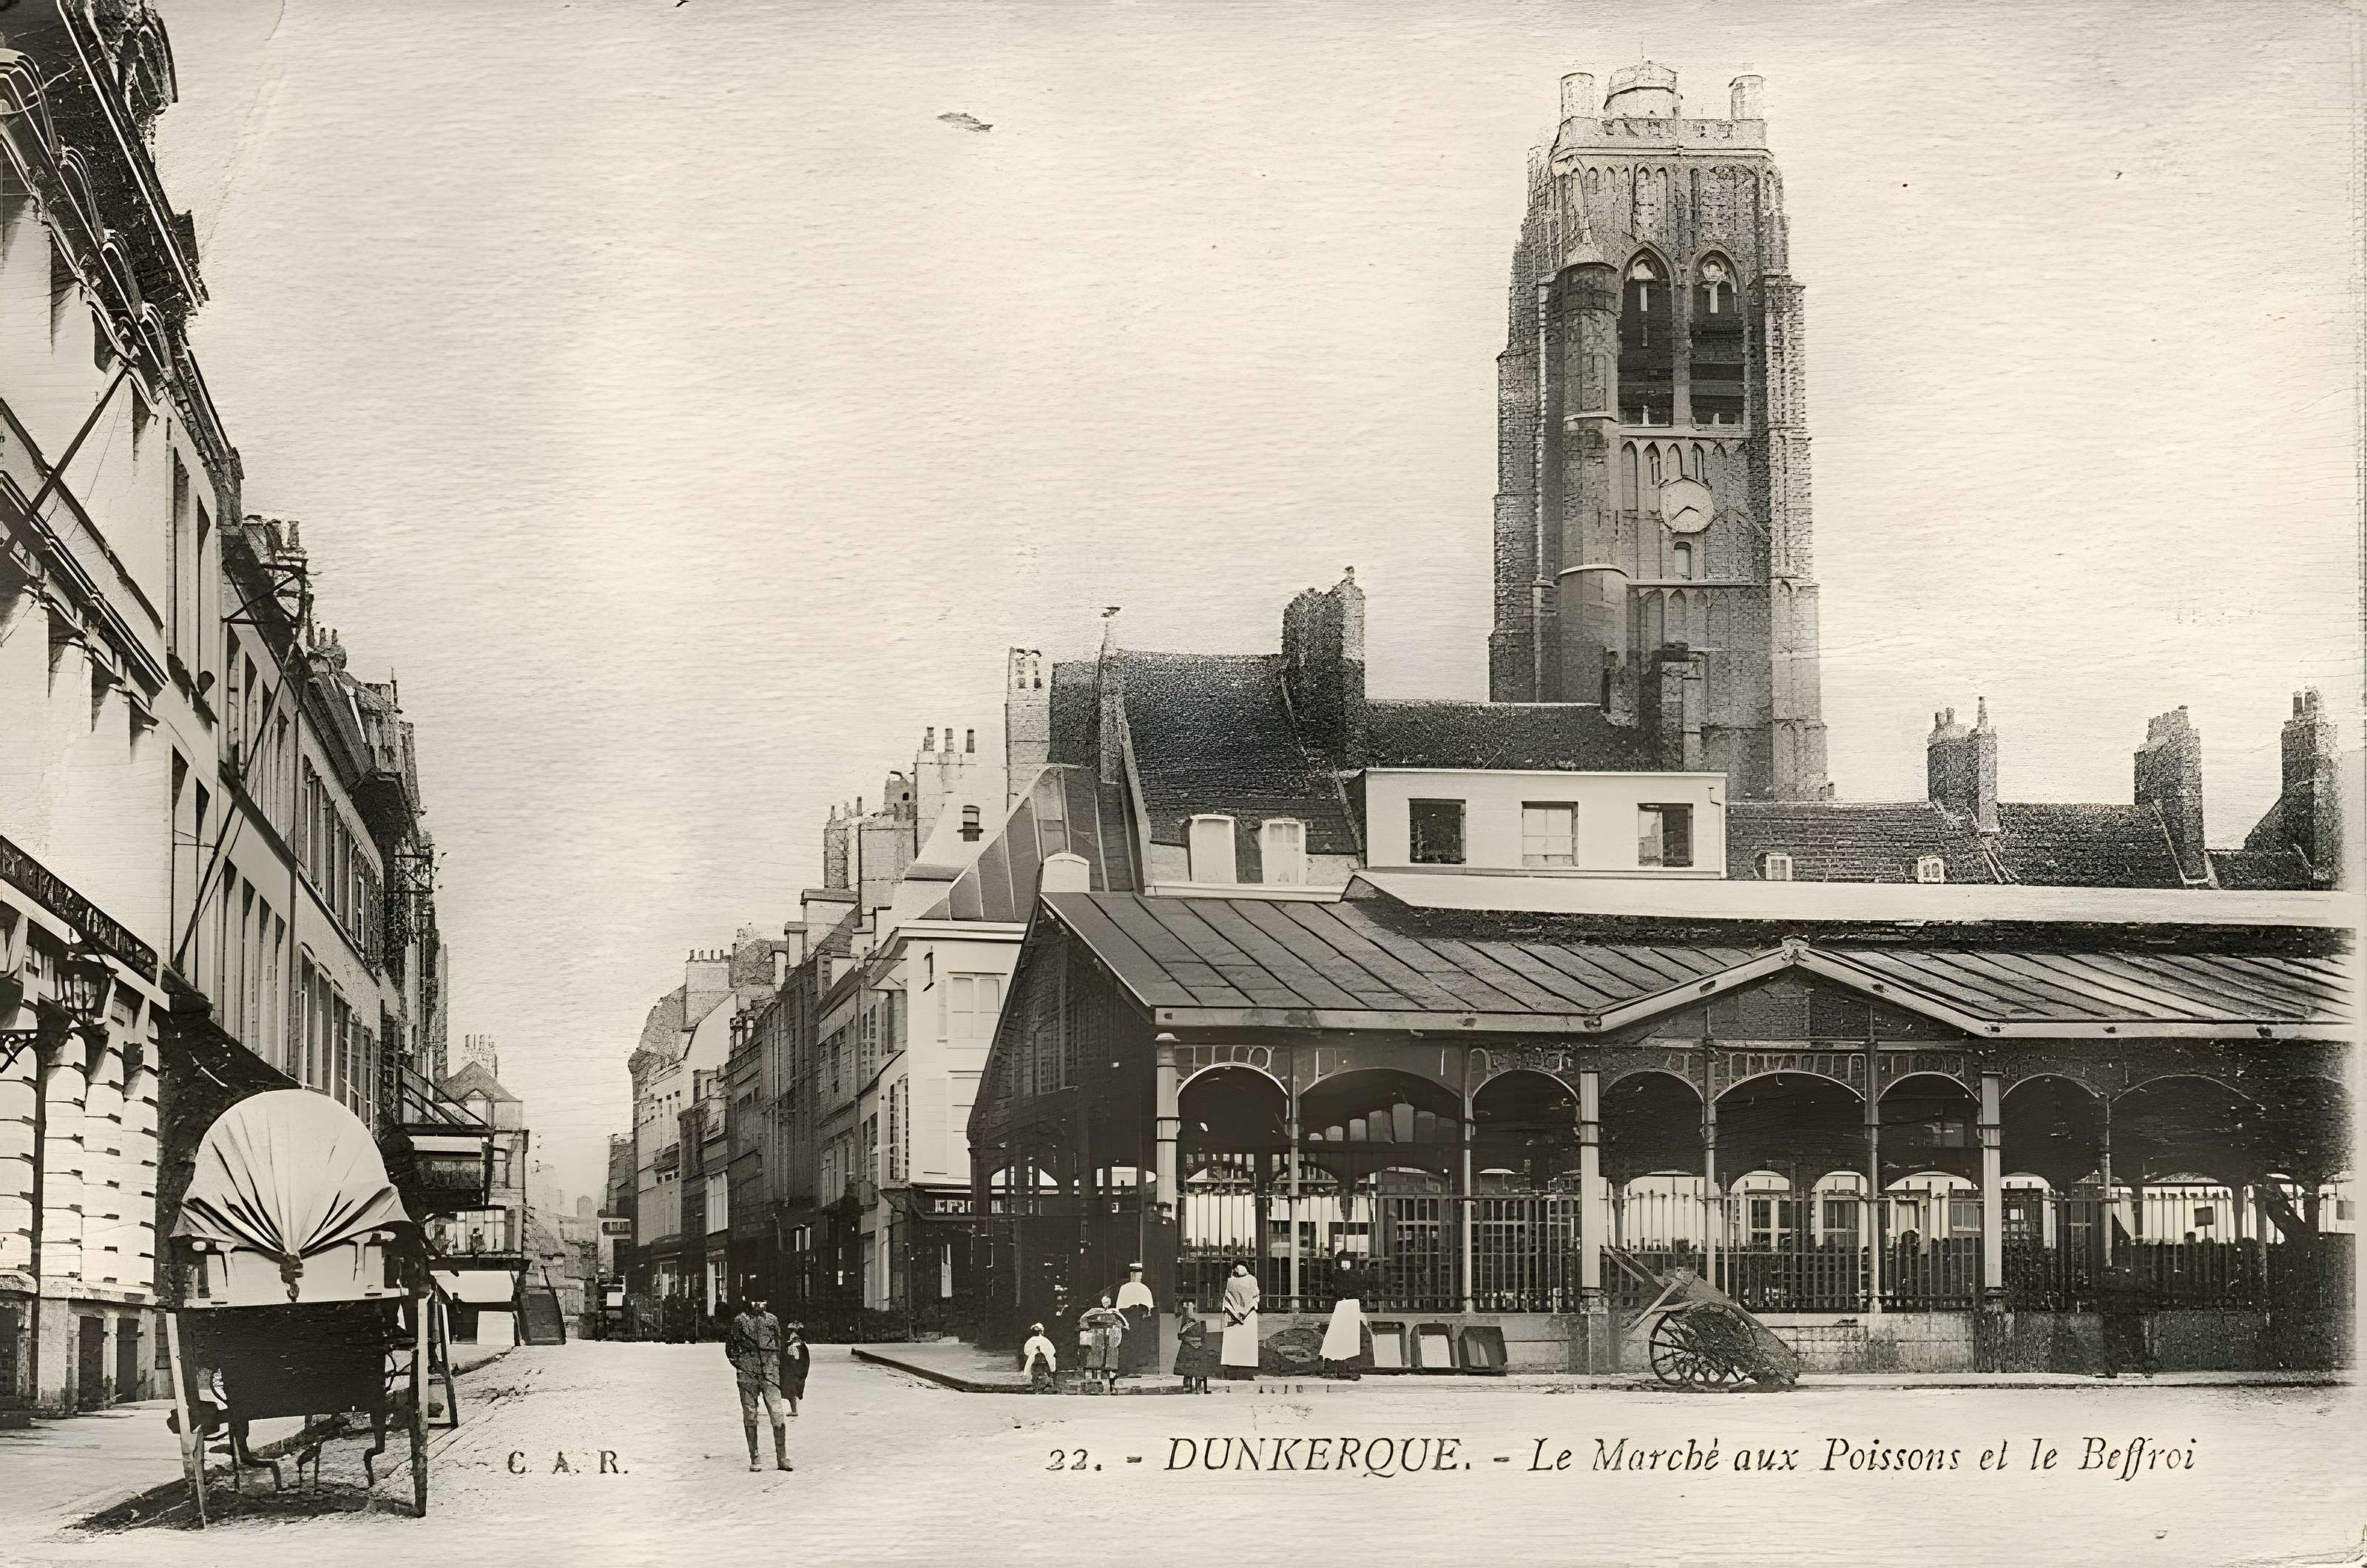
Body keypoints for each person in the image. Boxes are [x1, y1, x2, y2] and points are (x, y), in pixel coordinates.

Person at [725, 1296, 792, 1473]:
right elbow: (730, 1348)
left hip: (770, 1374)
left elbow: (780, 1346)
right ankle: (754, 1456)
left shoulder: (772, 1320)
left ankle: (782, 1457)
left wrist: (774, 1365)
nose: (759, 1305)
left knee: (778, 1415)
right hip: (748, 1374)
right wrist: (742, 1366)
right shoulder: (740, 1321)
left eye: (762, 1301)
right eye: (755, 1301)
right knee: (750, 1416)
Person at [2096, 1260, 2153, 1379]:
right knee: (2134, 1340)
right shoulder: (2132, 1279)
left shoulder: (2111, 1280)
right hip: (2126, 1312)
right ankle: (2144, 1368)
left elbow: (2102, 1293)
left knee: (2115, 1342)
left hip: (2118, 1312)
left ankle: (2113, 1370)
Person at [1320, 1255, 1367, 1379]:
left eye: (1348, 1263)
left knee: (1351, 1339)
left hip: (1351, 1307)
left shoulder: (1355, 1276)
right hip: (1342, 1307)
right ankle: (1336, 1368)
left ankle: (1349, 1369)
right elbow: (1334, 1290)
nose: (1346, 1265)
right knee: (1338, 1337)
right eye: (1343, 1263)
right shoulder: (1337, 1276)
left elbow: (1360, 1290)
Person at [1114, 1263, 1157, 1379]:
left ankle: (1131, 1369)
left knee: (1133, 1343)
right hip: (1128, 1317)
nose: (1139, 1276)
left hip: (1137, 1318)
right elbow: (1120, 1306)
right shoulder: (1126, 1288)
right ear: (1132, 1274)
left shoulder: (1143, 1288)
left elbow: (1149, 1308)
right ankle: (1125, 1368)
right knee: (1127, 1343)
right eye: (1137, 1274)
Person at [1220, 1262, 1261, 1381]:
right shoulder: (1239, 1281)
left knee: (1240, 1346)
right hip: (1243, 1317)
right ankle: (1240, 1373)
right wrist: (1243, 1311)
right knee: (1242, 1345)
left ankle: (1240, 1372)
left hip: (1237, 1317)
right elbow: (1255, 1298)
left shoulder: (1237, 1281)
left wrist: (1237, 1312)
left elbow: (1227, 1299)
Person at [1078, 1294, 1126, 1389]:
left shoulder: (1114, 1313)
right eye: (1105, 1301)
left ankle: (1111, 1382)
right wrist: (1087, 1328)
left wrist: (1118, 1327)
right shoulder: (1094, 1312)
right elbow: (1083, 1320)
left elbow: (1124, 1323)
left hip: (1111, 1336)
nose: (1106, 1304)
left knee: (1111, 1358)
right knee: (1096, 1356)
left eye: (1108, 1301)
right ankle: (1094, 1380)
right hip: (1097, 1335)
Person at [1172, 1300, 1215, 1393]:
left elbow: (1181, 1335)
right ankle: (1190, 1383)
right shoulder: (1188, 1324)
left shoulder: (1195, 1324)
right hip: (1193, 1351)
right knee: (1190, 1363)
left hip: (1195, 1351)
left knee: (1192, 1363)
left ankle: (1190, 1383)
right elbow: (1181, 1335)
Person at [780, 1321, 811, 1416]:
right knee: (794, 1390)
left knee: (791, 1390)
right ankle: (794, 1409)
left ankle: (794, 1410)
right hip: (797, 1370)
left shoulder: (793, 1346)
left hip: (792, 1371)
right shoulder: (801, 1346)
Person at [1021, 1321, 1059, 1393]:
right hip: (1041, 1360)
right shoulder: (1044, 1340)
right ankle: (1041, 1386)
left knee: (1037, 1373)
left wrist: (1034, 1353)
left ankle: (1041, 1385)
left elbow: (1027, 1351)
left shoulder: (1032, 1340)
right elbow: (1052, 1350)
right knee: (1041, 1373)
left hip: (1039, 1360)